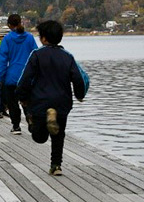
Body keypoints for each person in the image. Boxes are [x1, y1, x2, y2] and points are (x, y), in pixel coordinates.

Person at [16, 20, 89, 176]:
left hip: (40, 102)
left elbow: (26, 77)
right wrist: (79, 94)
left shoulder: (36, 55)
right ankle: (56, 165)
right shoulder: (67, 57)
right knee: (59, 134)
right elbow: (78, 78)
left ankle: (35, 121)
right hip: (62, 102)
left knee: (39, 137)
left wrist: (21, 96)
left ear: (43, 39)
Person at [0, 14, 38, 135]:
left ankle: (16, 126)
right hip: (28, 76)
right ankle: (30, 117)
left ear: (9, 25)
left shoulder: (7, 39)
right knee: (28, 101)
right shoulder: (30, 38)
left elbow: (3, 60)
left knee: (12, 103)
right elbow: (36, 55)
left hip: (12, 76)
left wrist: (1, 76)